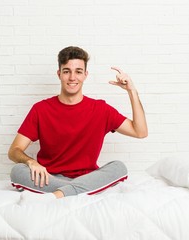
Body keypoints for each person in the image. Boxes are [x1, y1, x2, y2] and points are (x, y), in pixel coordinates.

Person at [8, 46, 148, 203]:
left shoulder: (101, 109)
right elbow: (14, 150)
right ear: (59, 74)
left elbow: (140, 132)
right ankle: (78, 189)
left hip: (87, 176)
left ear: (85, 75)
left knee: (118, 167)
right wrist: (31, 162)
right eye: (67, 71)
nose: (72, 77)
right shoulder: (40, 109)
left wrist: (132, 91)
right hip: (50, 177)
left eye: (78, 71)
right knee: (17, 171)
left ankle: (58, 195)